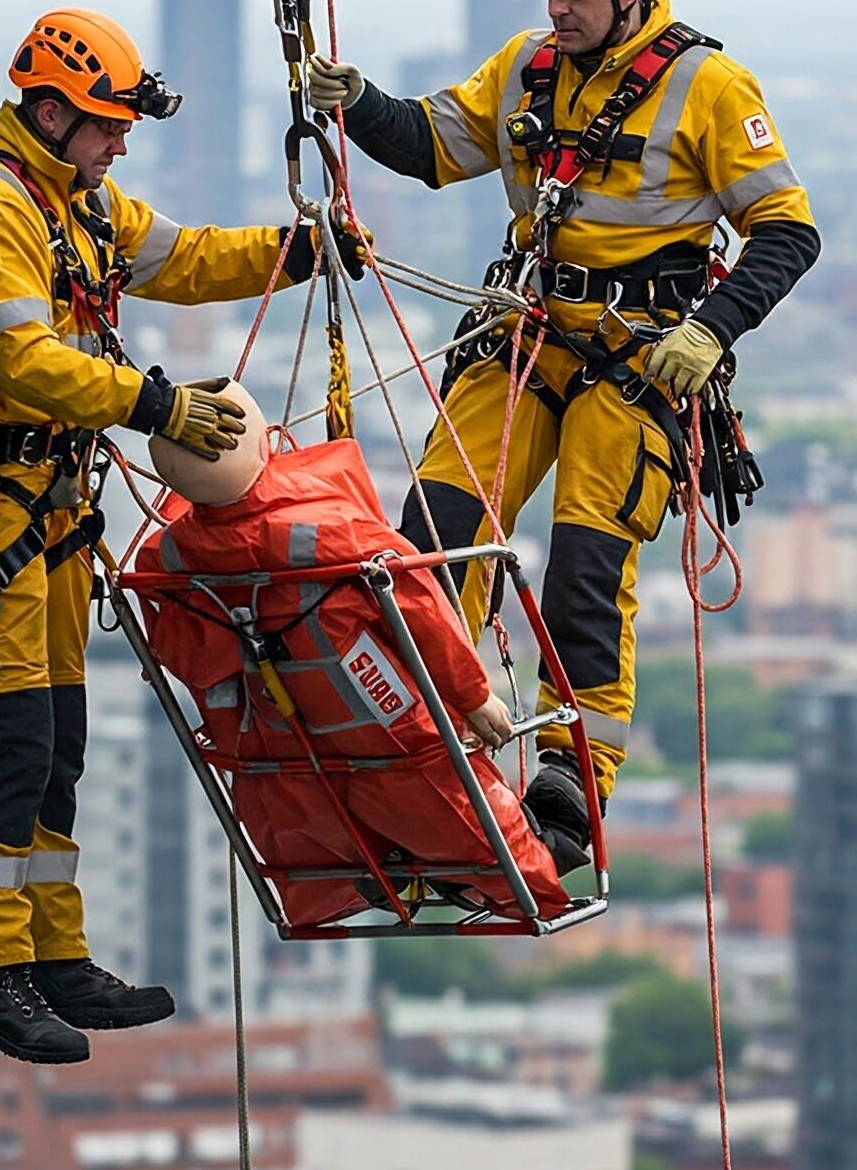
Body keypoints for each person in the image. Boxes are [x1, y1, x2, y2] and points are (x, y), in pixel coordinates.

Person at [307, 0, 819, 851]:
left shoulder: (707, 87)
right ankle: (426, 749)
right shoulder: (525, 68)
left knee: (584, 567)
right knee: (431, 538)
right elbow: (430, 144)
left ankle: (567, 786)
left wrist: (709, 327)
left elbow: (785, 231)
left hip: (636, 365)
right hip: (528, 342)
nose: (559, 7)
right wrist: (358, 101)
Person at [0, 7, 362, 1065]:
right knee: (6, 746)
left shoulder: (79, 199)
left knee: (55, 739)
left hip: (43, 515)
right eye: (108, 125)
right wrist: (152, 404)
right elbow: (22, 360)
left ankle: (52, 954)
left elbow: (186, 256)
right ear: (54, 110)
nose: (121, 143)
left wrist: (296, 252)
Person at [136, 381, 570, 929]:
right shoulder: (332, 532)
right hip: (386, 730)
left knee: (347, 813)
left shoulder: (166, 561)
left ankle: (392, 870)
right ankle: (502, 869)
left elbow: (183, 656)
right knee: (477, 827)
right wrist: (476, 697)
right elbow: (421, 612)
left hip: (281, 755)